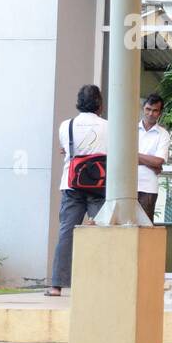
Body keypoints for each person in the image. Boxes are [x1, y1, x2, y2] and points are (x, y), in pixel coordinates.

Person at [48, 84, 108, 296]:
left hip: (72, 184)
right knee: (104, 232)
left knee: (66, 232)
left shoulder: (66, 125)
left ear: (78, 102)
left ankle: (56, 285)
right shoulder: (108, 126)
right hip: (99, 186)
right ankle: (101, 282)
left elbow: (66, 149)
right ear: (99, 104)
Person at [136, 93, 170, 223]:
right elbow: (123, 156)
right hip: (127, 186)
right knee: (125, 227)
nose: (150, 113)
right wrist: (151, 163)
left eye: (155, 110)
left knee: (145, 227)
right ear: (143, 108)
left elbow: (158, 161)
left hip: (148, 187)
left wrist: (134, 155)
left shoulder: (163, 134)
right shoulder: (131, 130)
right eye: (148, 109)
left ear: (160, 113)